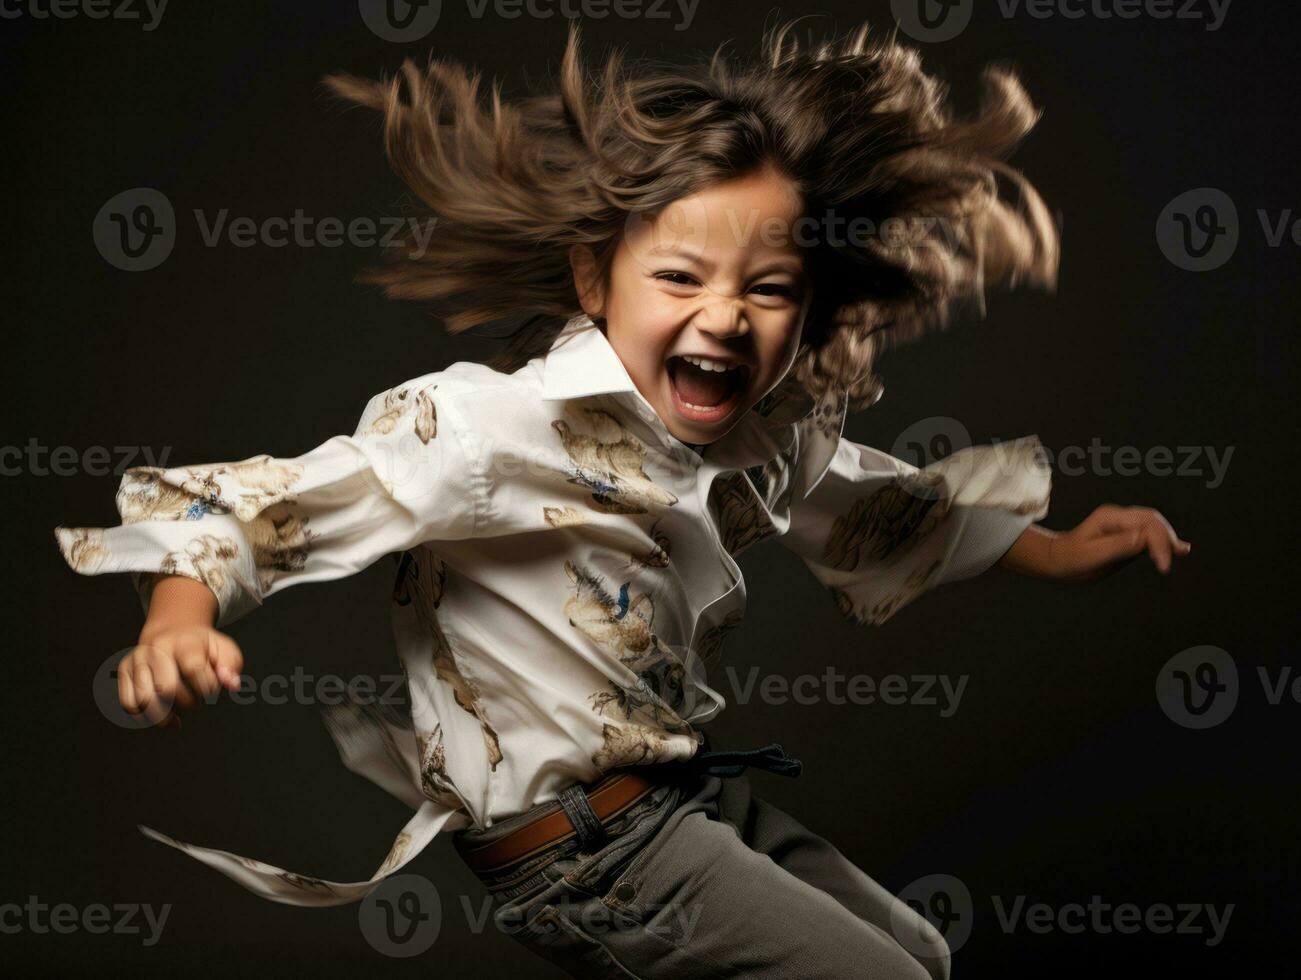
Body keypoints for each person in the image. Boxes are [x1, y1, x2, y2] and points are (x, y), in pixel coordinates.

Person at [53, 20, 1190, 978]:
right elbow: (259, 506)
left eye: (769, 287)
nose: (727, 316)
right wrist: (177, 618)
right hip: (580, 853)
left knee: (917, 955)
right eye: (681, 275)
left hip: (673, 800)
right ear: (598, 277)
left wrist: (1047, 547)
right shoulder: (491, 426)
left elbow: (873, 507)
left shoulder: (761, 432)